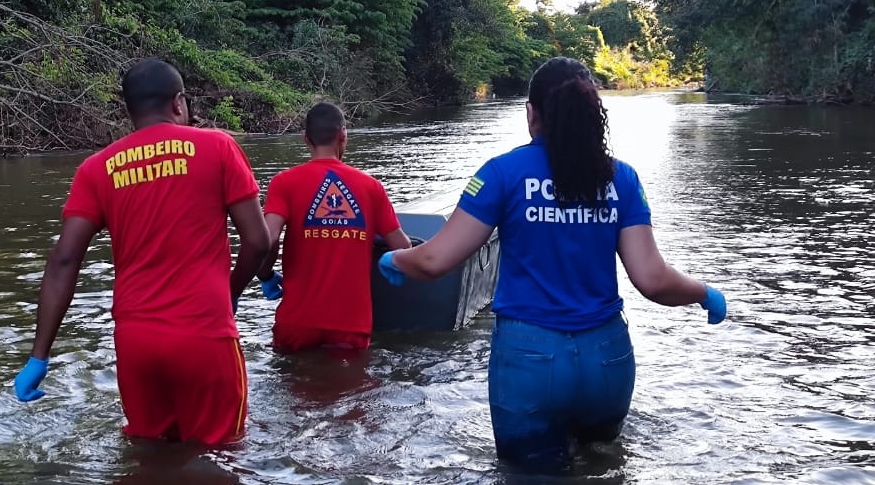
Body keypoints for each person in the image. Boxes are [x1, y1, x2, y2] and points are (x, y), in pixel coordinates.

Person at [376, 56, 727, 472]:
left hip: (530, 362)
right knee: (603, 468)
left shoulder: (502, 174)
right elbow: (652, 280)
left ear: (532, 112)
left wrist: (397, 257)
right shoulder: (621, 178)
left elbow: (435, 260)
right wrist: (704, 292)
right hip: (607, 360)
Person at [11, 58, 270, 446]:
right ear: (178, 103)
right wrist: (230, 293)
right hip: (203, 333)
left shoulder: (97, 168)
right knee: (221, 455)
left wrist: (39, 355)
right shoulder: (217, 147)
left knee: (148, 455)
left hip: (136, 343)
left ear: (128, 111)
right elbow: (259, 240)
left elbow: (64, 259)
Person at [256, 102, 412, 352]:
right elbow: (402, 247)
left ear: (306, 139)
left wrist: (265, 275)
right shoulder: (371, 188)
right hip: (350, 325)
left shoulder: (284, 183)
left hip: (297, 322)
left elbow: (266, 239)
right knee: (349, 389)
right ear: (343, 135)